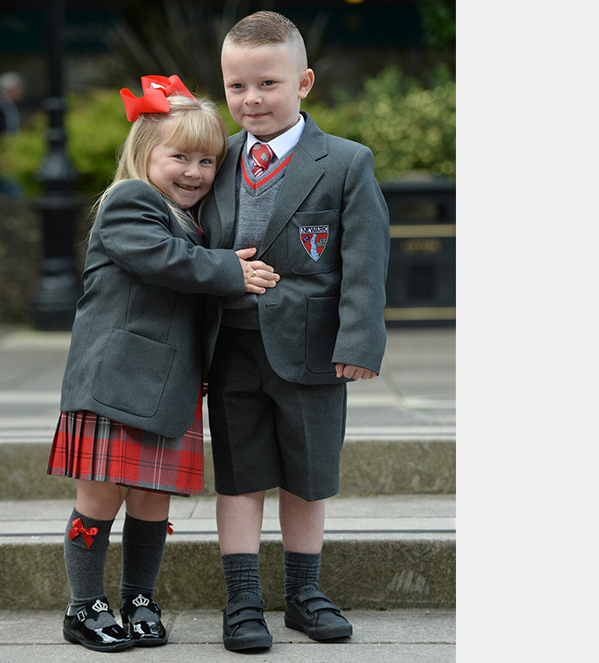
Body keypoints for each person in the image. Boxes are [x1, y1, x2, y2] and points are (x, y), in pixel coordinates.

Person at [45, 74, 280, 653]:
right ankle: (85, 605)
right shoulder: (131, 202)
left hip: (167, 387)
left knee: (152, 500)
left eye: (208, 160)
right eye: (180, 157)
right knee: (100, 496)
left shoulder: (191, 220)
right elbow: (163, 261)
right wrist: (230, 269)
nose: (195, 172)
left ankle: (140, 598)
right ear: (144, 153)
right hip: (115, 380)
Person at [199, 11, 391, 651]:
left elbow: (365, 261)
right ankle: (243, 601)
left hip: (311, 350)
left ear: (303, 82)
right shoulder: (215, 160)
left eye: (267, 84)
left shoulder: (344, 163)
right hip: (230, 347)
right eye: (236, 87)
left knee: (307, 476)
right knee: (239, 474)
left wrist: (359, 342)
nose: (250, 100)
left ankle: (306, 596)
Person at [0, 71, 24, 197]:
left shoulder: (10, 106)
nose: (20, 92)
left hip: (7, 155)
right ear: (8, 89)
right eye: (17, 88)